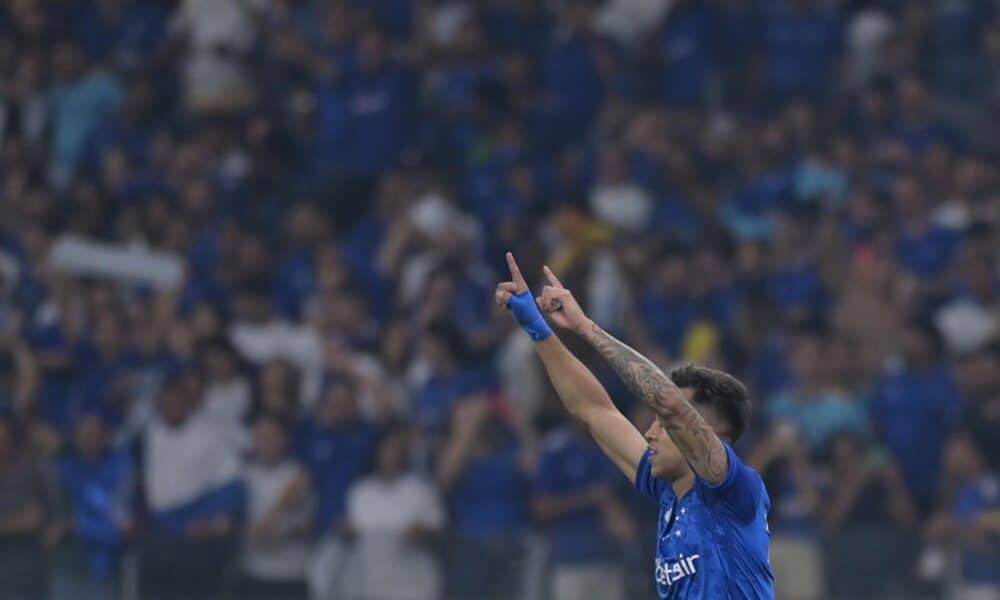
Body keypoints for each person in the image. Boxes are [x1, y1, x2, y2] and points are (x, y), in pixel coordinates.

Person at [495, 252, 774, 598]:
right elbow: (593, 409)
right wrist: (536, 326)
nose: (650, 432)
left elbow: (668, 401)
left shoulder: (735, 492)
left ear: (706, 430)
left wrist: (586, 328)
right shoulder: (669, 493)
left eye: (664, 425)